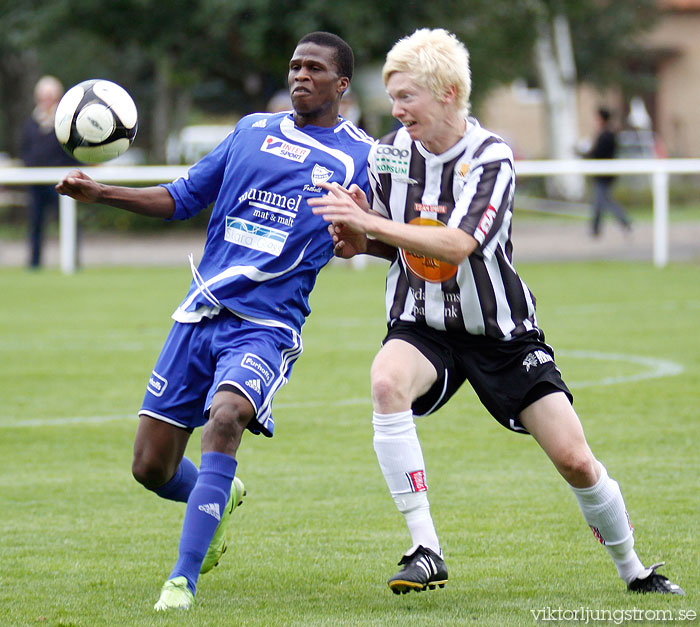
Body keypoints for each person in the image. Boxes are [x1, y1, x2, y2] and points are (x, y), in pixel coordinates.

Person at [310, 28, 683, 597]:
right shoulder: (389, 153)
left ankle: (635, 570)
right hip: (421, 321)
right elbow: (399, 242)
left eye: (407, 96)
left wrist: (371, 225)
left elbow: (458, 245)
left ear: (449, 92)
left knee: (576, 461)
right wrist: (363, 238)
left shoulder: (492, 158)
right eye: (393, 96)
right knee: (386, 380)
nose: (396, 109)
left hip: (501, 332)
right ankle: (425, 548)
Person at [56, 31, 374, 611]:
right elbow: (180, 197)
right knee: (151, 468)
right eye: (294, 66)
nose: (300, 76)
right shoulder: (252, 129)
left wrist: (358, 235)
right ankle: (220, 496)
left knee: (225, 417)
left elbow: (381, 236)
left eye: (314, 69)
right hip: (199, 314)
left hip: (267, 326)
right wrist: (100, 191)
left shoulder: (363, 156)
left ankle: (182, 581)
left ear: (342, 85)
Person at [21, 76, 77, 268]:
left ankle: (73, 261)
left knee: (69, 224)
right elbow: (25, 150)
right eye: (43, 96)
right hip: (36, 182)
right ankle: (34, 264)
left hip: (62, 181)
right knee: (35, 224)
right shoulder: (30, 123)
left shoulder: (66, 121)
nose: (47, 100)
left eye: (50, 96)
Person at [586, 107, 632, 237]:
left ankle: (624, 222)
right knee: (600, 201)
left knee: (603, 201)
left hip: (604, 175)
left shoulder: (606, 135)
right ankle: (596, 228)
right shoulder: (606, 133)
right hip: (602, 174)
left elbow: (598, 153)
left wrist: (585, 153)